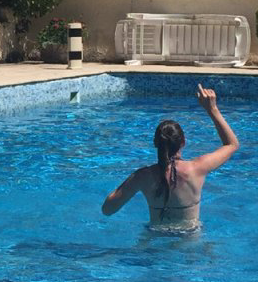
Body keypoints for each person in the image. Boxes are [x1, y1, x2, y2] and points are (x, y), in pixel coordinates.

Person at [102, 85, 239, 231]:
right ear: (183, 142)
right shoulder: (198, 168)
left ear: (155, 143)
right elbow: (232, 144)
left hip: (154, 239)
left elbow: (107, 210)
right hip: (189, 239)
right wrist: (212, 110)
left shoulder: (142, 176)